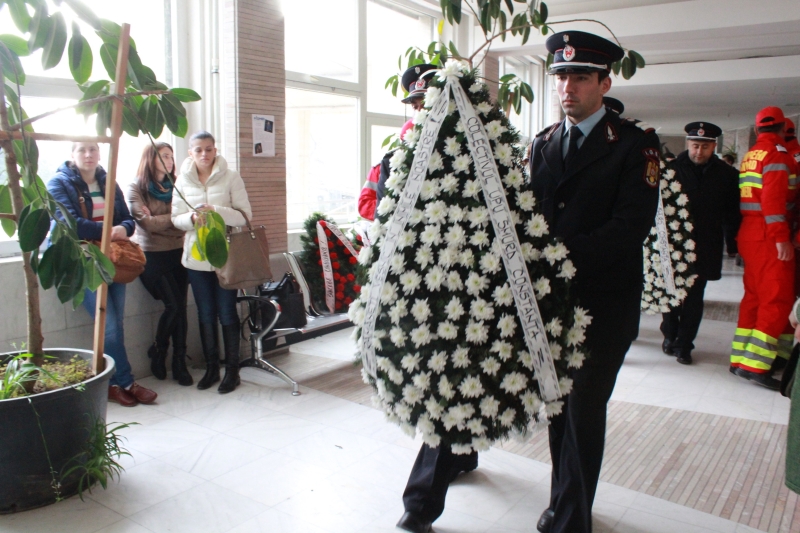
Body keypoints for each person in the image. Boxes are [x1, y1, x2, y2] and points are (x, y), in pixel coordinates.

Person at [526, 31, 660, 533]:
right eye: (560, 76)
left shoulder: (634, 147)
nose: (567, 87)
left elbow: (628, 229)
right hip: (551, 306)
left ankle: (571, 520)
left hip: (603, 306)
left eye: (580, 76)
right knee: (558, 407)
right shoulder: (542, 144)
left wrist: (555, 255)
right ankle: (565, 501)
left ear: (605, 82)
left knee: (584, 409)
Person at [394, 64, 477, 533]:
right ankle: (463, 453)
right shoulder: (402, 152)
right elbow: (376, 203)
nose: (424, 112)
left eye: (433, 102)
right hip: (416, 294)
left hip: (466, 294)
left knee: (449, 384)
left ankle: (421, 504)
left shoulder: (474, 155)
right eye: (418, 104)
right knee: (442, 386)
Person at [48, 142, 158, 407]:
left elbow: (128, 219)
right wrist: (109, 231)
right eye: (82, 150)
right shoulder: (58, 183)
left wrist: (124, 227)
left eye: (93, 149)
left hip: (113, 260)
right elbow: (70, 224)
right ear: (72, 154)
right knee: (107, 327)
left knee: (116, 324)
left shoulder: (108, 182)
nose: (88, 155)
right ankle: (124, 382)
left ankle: (115, 384)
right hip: (82, 262)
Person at [171, 131, 252, 394]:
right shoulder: (182, 180)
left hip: (225, 256)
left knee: (227, 312)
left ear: (215, 150)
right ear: (190, 153)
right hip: (196, 258)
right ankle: (211, 369)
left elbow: (244, 216)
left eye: (209, 149)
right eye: (198, 150)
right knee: (205, 313)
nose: (204, 154)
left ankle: (232, 371)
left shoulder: (231, 177)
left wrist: (216, 211)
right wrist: (192, 219)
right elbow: (175, 218)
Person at [660, 122, 740, 365]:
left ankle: (685, 345)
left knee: (695, 298)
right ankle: (670, 335)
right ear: (688, 144)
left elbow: (732, 213)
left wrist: (733, 243)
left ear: (713, 146)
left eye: (705, 147)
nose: (699, 151)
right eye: (695, 146)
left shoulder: (727, 175)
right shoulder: (671, 170)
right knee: (672, 294)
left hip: (706, 244)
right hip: (675, 244)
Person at [730, 107, 797, 390]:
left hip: (750, 233)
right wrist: (782, 238)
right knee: (777, 300)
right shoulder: (778, 155)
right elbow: (773, 203)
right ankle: (754, 366)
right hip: (770, 235)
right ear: (782, 129)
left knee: (754, 298)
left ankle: (739, 358)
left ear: (758, 130)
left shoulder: (752, 154)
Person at [127, 142, 192, 386]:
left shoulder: (178, 185)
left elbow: (186, 217)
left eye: (171, 157)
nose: (170, 161)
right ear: (151, 159)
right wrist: (174, 220)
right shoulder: (136, 187)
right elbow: (147, 224)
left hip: (179, 252)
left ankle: (179, 362)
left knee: (181, 308)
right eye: (164, 156)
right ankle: (159, 350)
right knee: (173, 305)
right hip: (152, 254)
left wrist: (165, 220)